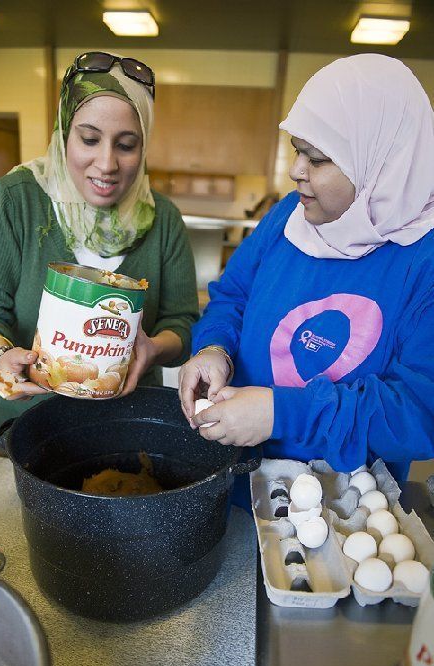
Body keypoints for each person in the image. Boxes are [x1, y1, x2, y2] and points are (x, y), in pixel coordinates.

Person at [179, 53, 434, 508]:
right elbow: (233, 296)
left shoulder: (423, 261)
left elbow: (419, 411)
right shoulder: (288, 217)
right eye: (298, 149)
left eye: (317, 159)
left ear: (379, 165)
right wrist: (213, 348)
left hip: (342, 506)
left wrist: (281, 413)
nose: (296, 170)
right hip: (240, 478)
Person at [0, 51, 199, 432]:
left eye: (126, 144)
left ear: (144, 146)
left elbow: (181, 323)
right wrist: (0, 354)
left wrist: (153, 349)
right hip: (26, 424)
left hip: (127, 423)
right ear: (64, 133)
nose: (106, 163)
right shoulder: (17, 201)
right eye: (89, 138)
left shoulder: (162, 218)